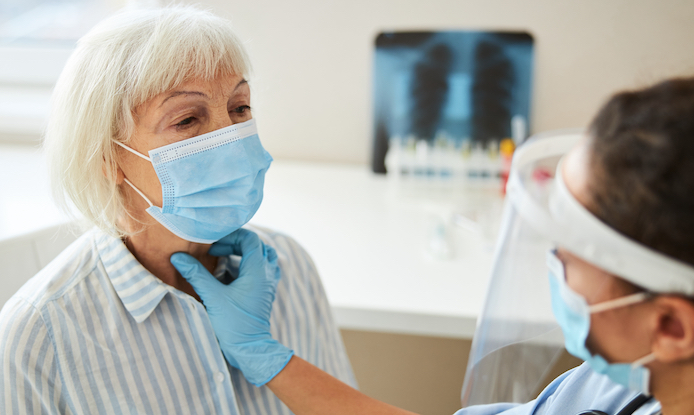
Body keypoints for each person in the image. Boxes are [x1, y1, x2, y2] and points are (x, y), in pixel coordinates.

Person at [174, 77, 694, 415]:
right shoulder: (629, 384)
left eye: (568, 254)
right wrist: (269, 360)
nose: (550, 264)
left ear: (671, 326)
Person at [0, 6, 355, 415]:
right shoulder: (42, 330)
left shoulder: (289, 267)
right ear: (108, 158)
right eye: (187, 119)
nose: (229, 138)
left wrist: (263, 355)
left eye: (239, 108)